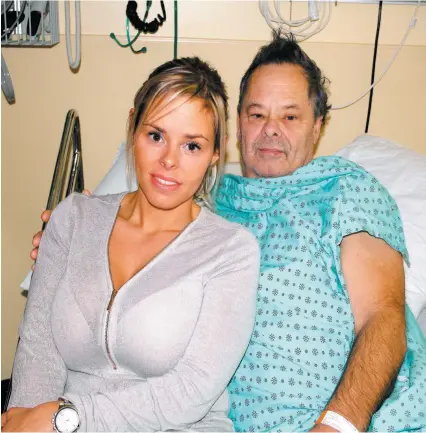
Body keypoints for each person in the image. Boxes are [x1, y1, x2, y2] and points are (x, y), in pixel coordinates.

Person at [25, 32, 426, 432]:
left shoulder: (345, 191)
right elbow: (140, 213)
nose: (270, 129)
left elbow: (382, 317)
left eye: (289, 116)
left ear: (318, 125)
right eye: (256, 114)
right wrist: (73, 238)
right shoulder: (208, 198)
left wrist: (338, 425)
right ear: (235, 129)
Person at [2, 57, 261, 432]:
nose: (169, 161)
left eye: (192, 146)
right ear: (132, 128)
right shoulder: (73, 219)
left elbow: (190, 391)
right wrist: (26, 420)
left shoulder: (230, 251)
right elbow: (38, 347)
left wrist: (68, 418)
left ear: (216, 153)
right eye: (155, 136)